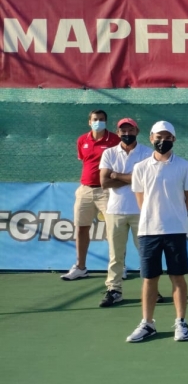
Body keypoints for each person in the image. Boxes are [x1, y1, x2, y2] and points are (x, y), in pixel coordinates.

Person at [126, 121, 188, 343]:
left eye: (167, 137)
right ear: (151, 138)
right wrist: (153, 217)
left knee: (177, 277)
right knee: (149, 279)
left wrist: (175, 217)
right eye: (158, 136)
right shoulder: (140, 168)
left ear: (174, 139)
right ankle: (147, 323)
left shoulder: (185, 166)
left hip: (176, 231)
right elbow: (141, 199)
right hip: (148, 231)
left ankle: (181, 322)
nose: (162, 141)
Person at [98, 118, 152, 307]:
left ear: (137, 131)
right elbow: (104, 182)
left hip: (142, 210)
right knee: (116, 255)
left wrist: (117, 175)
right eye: (123, 131)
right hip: (114, 210)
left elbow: (146, 180)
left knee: (146, 253)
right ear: (118, 132)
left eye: (130, 130)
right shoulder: (109, 153)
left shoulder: (148, 153)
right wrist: (132, 178)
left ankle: (152, 289)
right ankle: (114, 290)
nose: (126, 134)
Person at [62, 109, 120, 280]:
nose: (98, 122)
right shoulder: (82, 140)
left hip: (107, 191)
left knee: (114, 230)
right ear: (89, 122)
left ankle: (119, 267)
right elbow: (85, 161)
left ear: (106, 122)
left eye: (102, 119)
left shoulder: (115, 140)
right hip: (85, 190)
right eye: (95, 119)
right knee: (81, 228)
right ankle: (80, 268)